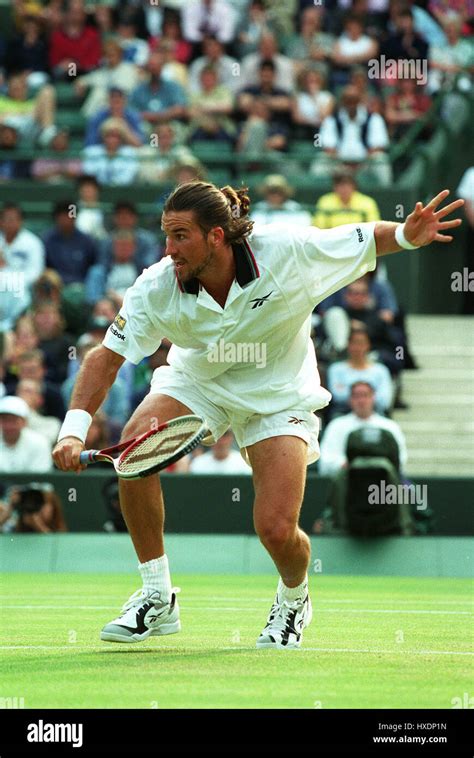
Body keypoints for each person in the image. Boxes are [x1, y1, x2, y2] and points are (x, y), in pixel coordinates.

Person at [52, 182, 463, 650]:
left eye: (181, 235)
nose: (169, 249)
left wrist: (409, 236)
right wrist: (72, 430)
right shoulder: (157, 285)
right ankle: (156, 595)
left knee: (275, 529)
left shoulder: (287, 250)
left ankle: (294, 597)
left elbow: (366, 237)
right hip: (199, 381)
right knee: (133, 450)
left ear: (217, 236)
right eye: (166, 235)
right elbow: (105, 358)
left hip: (280, 393)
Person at [318, 381, 407, 476]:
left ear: (373, 398)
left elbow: (401, 458)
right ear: (350, 400)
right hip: (348, 482)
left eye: (365, 395)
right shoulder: (336, 425)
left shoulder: (390, 426)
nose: (361, 400)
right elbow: (326, 460)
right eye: (357, 396)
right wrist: (351, 466)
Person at [0, 395, 52, 473]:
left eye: (14, 421)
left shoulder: (40, 442)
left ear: (24, 422)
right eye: (4, 420)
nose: (9, 425)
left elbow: (40, 480)